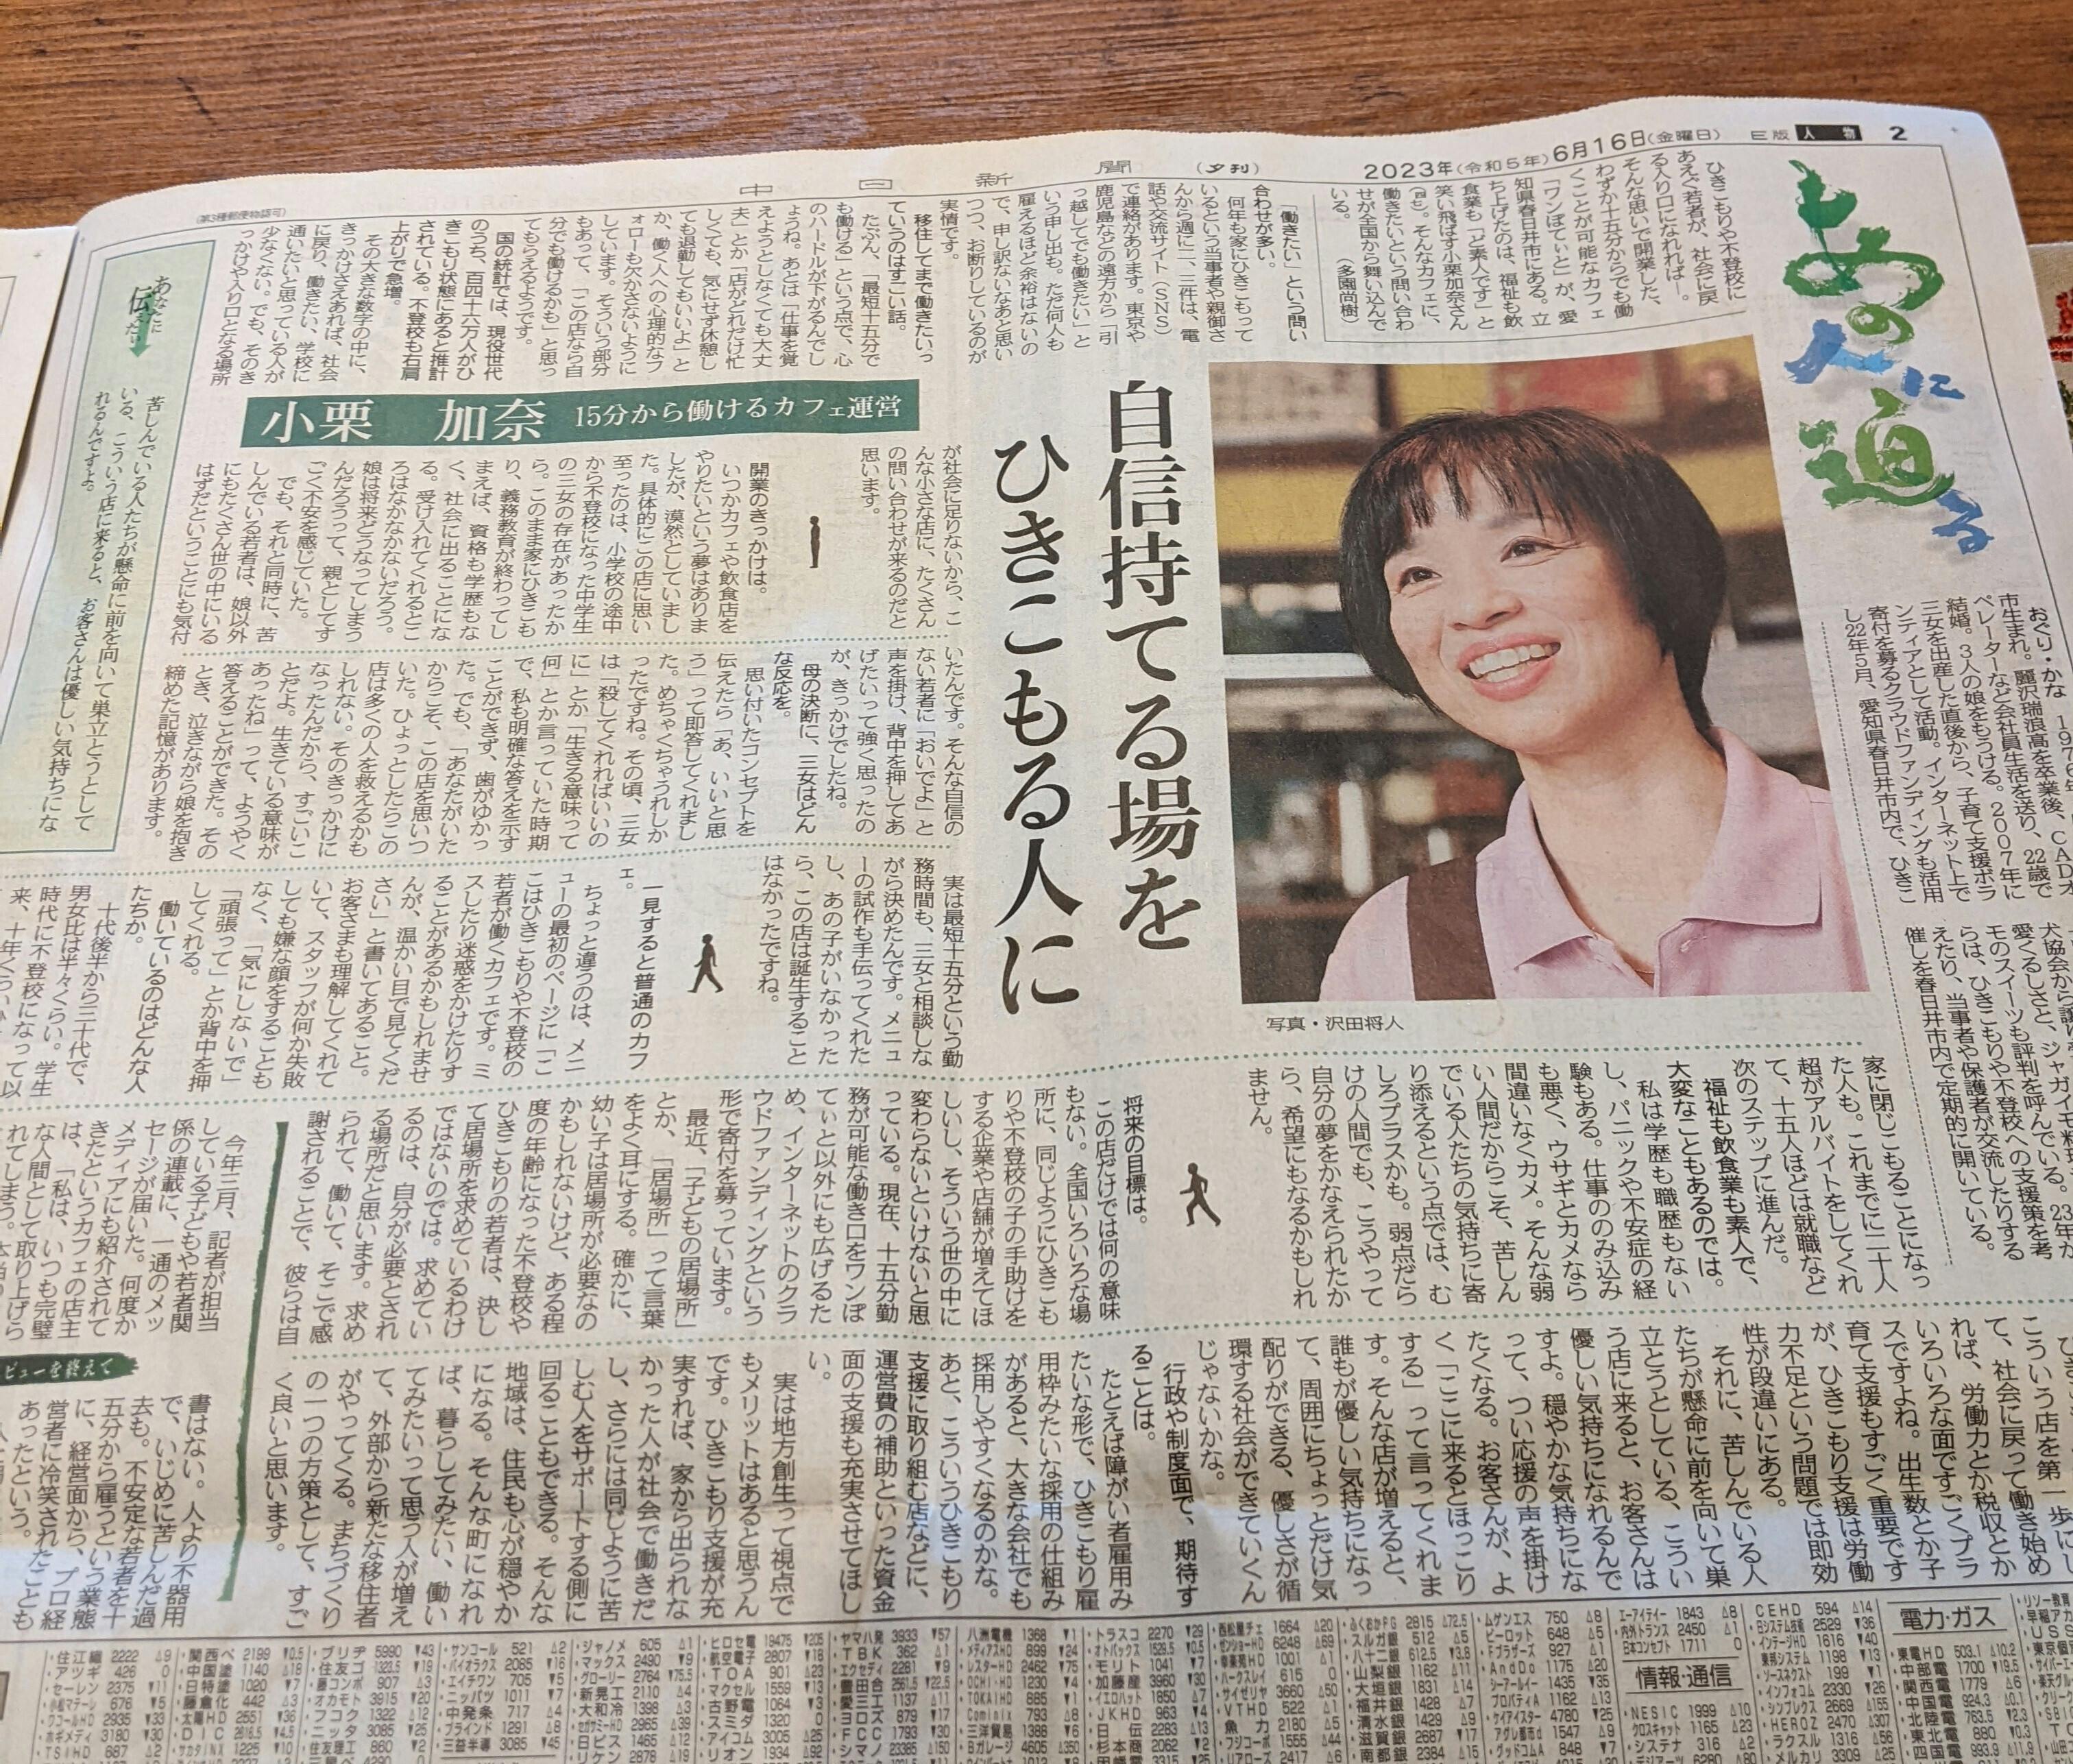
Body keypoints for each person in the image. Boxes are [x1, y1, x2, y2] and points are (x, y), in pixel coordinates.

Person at [1320, 406, 1868, 1002]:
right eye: (1419, 575)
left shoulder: (1889, 864)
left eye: (1524, 547)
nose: (1474, 608)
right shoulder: (1392, 950)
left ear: (1657, 566)